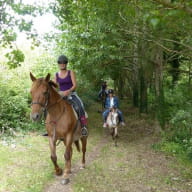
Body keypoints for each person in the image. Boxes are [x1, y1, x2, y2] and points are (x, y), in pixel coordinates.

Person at [53, 55, 88, 136]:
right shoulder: (56, 75)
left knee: (80, 106)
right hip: (61, 95)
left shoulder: (70, 72)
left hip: (71, 94)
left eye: (64, 62)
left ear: (66, 64)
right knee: (51, 107)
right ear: (58, 64)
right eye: (60, 63)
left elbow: (75, 85)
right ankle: (51, 128)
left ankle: (83, 127)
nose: (62, 64)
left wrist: (68, 91)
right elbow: (54, 85)